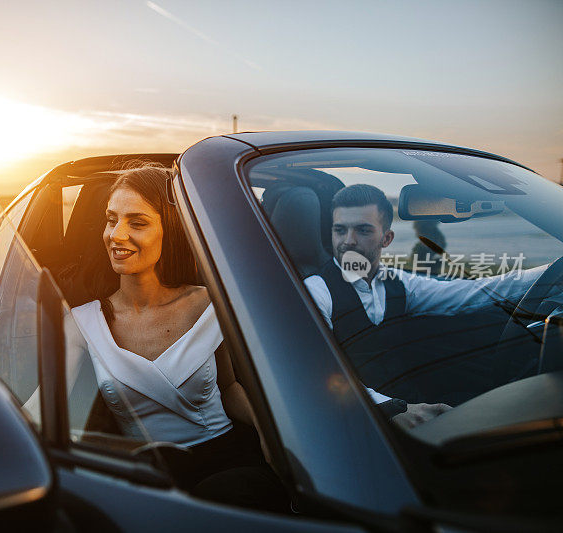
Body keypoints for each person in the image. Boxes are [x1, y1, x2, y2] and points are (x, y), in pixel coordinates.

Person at [66, 164, 290, 512]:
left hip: (228, 461)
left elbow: (229, 388)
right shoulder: (82, 323)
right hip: (151, 477)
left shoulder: (210, 303)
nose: (117, 235)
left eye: (137, 223)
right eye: (112, 220)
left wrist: (269, 435)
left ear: (168, 230)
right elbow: (39, 413)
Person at [304, 184, 545, 428]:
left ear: (386, 238)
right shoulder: (316, 290)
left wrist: (550, 272)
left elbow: (475, 292)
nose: (348, 241)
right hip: (362, 422)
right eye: (340, 230)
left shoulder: (398, 283)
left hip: (415, 409)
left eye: (363, 230)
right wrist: (389, 408)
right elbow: (318, 369)